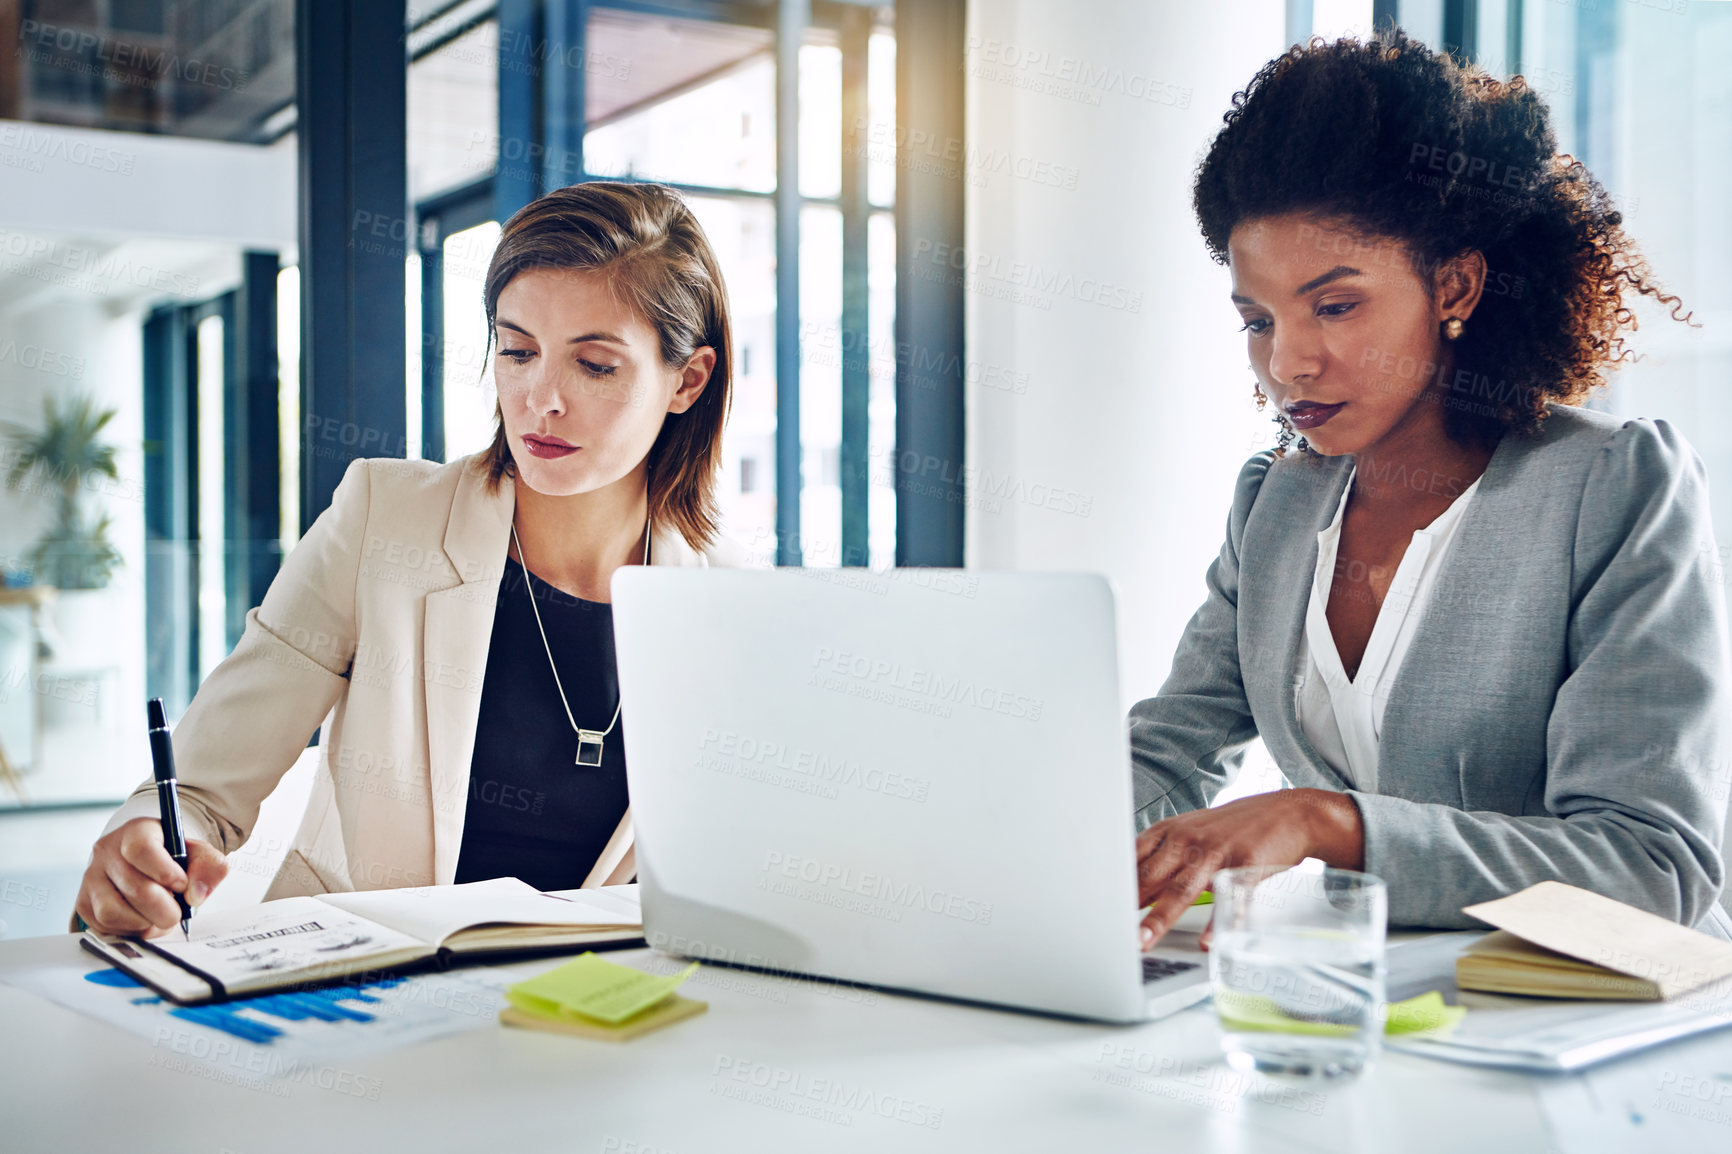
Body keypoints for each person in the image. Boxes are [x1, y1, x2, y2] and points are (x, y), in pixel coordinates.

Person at [1131, 31, 1732, 947]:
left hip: (1596, 1030)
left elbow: (1652, 868)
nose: (1286, 362)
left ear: (1454, 285)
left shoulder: (1613, 488)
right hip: (1383, 1015)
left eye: (1335, 306)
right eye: (1258, 320)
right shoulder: (1277, 508)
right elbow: (1166, 755)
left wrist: (1328, 824)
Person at [76, 181, 738, 936]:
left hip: (596, 1018)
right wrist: (150, 844)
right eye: (517, 351)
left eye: (594, 366)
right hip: (360, 998)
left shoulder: (728, 600)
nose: (540, 397)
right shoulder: (384, 522)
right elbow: (198, 788)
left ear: (687, 380)